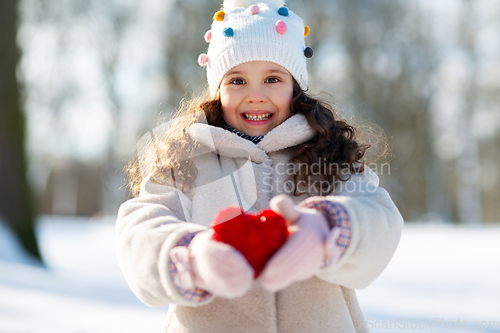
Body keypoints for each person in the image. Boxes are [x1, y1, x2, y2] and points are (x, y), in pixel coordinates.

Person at [116, 0, 404, 332]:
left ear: (295, 87)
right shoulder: (187, 159)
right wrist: (192, 257)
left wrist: (328, 229)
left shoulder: (329, 155)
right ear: (217, 90)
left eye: (272, 79)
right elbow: (138, 229)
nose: (255, 95)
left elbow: (380, 218)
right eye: (237, 81)